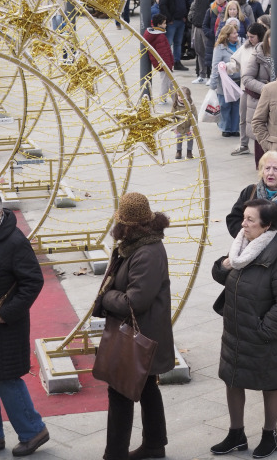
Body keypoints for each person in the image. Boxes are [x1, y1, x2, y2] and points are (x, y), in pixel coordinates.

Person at [211, 199, 277, 458]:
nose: (244, 224)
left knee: (270, 384)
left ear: (267, 225)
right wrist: (224, 265)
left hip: (264, 337)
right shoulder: (241, 247)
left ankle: (270, 435)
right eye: (244, 218)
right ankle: (236, 434)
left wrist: (264, 331)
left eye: (250, 220)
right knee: (233, 379)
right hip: (237, 332)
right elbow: (223, 276)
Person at [98, 193, 174, 460]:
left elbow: (136, 300)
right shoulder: (134, 246)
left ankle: (115, 454)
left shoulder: (147, 252)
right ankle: (154, 446)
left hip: (140, 333)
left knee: (119, 391)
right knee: (146, 387)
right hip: (141, 331)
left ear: (130, 226)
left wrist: (106, 296)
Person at [0, 187, 49, 458]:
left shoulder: (15, 241)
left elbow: (33, 282)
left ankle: (33, 431)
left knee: (7, 380)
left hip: (6, 324)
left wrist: (4, 315)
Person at [225, 151, 277, 258]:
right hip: (249, 251)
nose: (270, 173)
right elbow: (233, 219)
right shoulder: (250, 191)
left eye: (276, 169)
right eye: (267, 168)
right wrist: (250, 237)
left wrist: (276, 241)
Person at [228, 23, 267, 157]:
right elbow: (235, 62)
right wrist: (227, 67)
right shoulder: (244, 48)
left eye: (252, 37)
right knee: (243, 117)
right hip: (246, 89)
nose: (249, 39)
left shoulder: (264, 49)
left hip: (262, 91)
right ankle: (244, 144)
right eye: (248, 37)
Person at [241, 30, 275, 167]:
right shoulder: (258, 54)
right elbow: (247, 78)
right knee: (261, 134)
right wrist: (266, 89)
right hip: (260, 101)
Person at [210, 23, 243, 138]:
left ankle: (234, 128)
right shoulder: (219, 48)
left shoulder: (241, 45)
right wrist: (212, 84)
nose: (236, 35)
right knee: (224, 105)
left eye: (236, 32)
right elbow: (215, 66)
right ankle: (225, 128)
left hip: (238, 81)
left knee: (236, 106)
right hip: (224, 82)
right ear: (227, 35)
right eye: (234, 33)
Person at [189, 0, 217, 84]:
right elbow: (195, 6)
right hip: (197, 25)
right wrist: (192, 17)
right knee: (199, 50)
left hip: (207, 27)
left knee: (208, 51)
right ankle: (202, 74)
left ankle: (211, 75)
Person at [159, 0, 189, 72]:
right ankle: (167, 62)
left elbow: (185, 2)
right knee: (169, 42)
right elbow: (162, 5)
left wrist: (185, 15)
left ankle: (177, 62)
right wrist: (169, 19)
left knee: (178, 42)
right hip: (172, 21)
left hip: (181, 20)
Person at [143, 13, 174, 104]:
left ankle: (176, 98)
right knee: (166, 82)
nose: (166, 25)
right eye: (164, 23)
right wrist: (169, 65)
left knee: (170, 82)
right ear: (159, 24)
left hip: (161, 63)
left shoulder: (155, 35)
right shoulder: (160, 36)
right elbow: (164, 53)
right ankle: (162, 98)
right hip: (164, 64)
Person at [202, 0, 227, 83]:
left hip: (223, 39)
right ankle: (210, 77)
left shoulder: (227, 9)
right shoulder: (211, 10)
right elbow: (204, 25)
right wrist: (210, 34)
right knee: (211, 58)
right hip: (212, 38)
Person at [171, 86, 197, 160]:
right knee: (179, 138)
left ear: (188, 96)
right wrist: (174, 127)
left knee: (190, 138)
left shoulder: (191, 106)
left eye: (184, 96)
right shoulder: (175, 105)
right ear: (177, 96)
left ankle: (189, 151)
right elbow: (172, 117)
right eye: (179, 96)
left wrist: (193, 127)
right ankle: (178, 151)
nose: (181, 98)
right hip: (179, 126)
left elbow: (195, 117)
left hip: (189, 126)